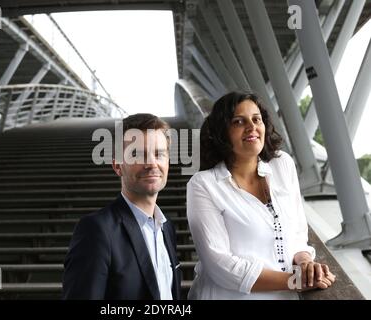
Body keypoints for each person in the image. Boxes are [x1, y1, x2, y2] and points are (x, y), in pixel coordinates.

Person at [186, 91, 336, 300]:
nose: (252, 127)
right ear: (222, 132)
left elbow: (298, 233)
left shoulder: (283, 164)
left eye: (257, 119)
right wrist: (295, 281)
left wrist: (304, 263)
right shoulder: (203, 185)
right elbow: (220, 266)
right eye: (239, 121)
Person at [62, 113, 181, 300]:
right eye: (137, 154)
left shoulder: (167, 228)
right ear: (117, 166)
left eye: (159, 154)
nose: (151, 163)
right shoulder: (97, 230)